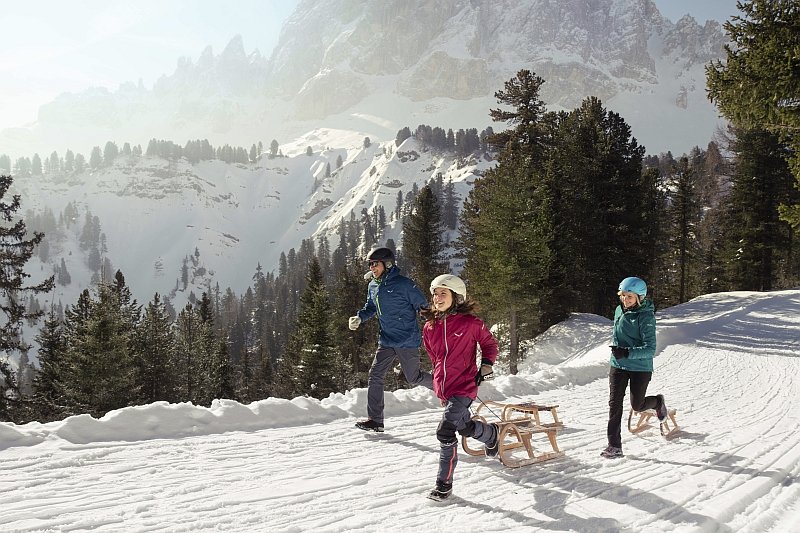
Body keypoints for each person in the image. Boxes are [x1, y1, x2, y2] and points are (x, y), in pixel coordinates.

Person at [421, 274, 499, 501]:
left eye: (443, 293)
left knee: (445, 431)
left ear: (456, 296)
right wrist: (438, 382)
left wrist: (486, 365)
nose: (437, 297)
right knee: (464, 427)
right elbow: (435, 358)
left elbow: (489, 344)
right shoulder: (429, 327)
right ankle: (491, 434)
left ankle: (444, 484)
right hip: (444, 388)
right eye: (435, 293)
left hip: (465, 386)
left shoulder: (470, 323)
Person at [349, 247, 433, 432]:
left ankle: (447, 389)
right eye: (370, 264)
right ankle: (375, 420)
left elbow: (424, 307)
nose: (372, 268)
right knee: (375, 376)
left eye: (375, 264)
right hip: (386, 340)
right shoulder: (373, 285)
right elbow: (370, 307)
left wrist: (435, 323)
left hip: (406, 340)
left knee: (414, 377)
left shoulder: (405, 285)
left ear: (387, 264)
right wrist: (359, 317)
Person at [602, 276, 667, 459]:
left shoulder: (646, 316)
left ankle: (658, 402)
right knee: (614, 404)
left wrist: (627, 352)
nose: (625, 300)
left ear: (640, 297)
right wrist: (618, 350)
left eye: (629, 296)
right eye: (623, 295)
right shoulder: (618, 310)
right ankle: (614, 446)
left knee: (637, 406)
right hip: (618, 365)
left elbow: (650, 349)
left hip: (640, 367)